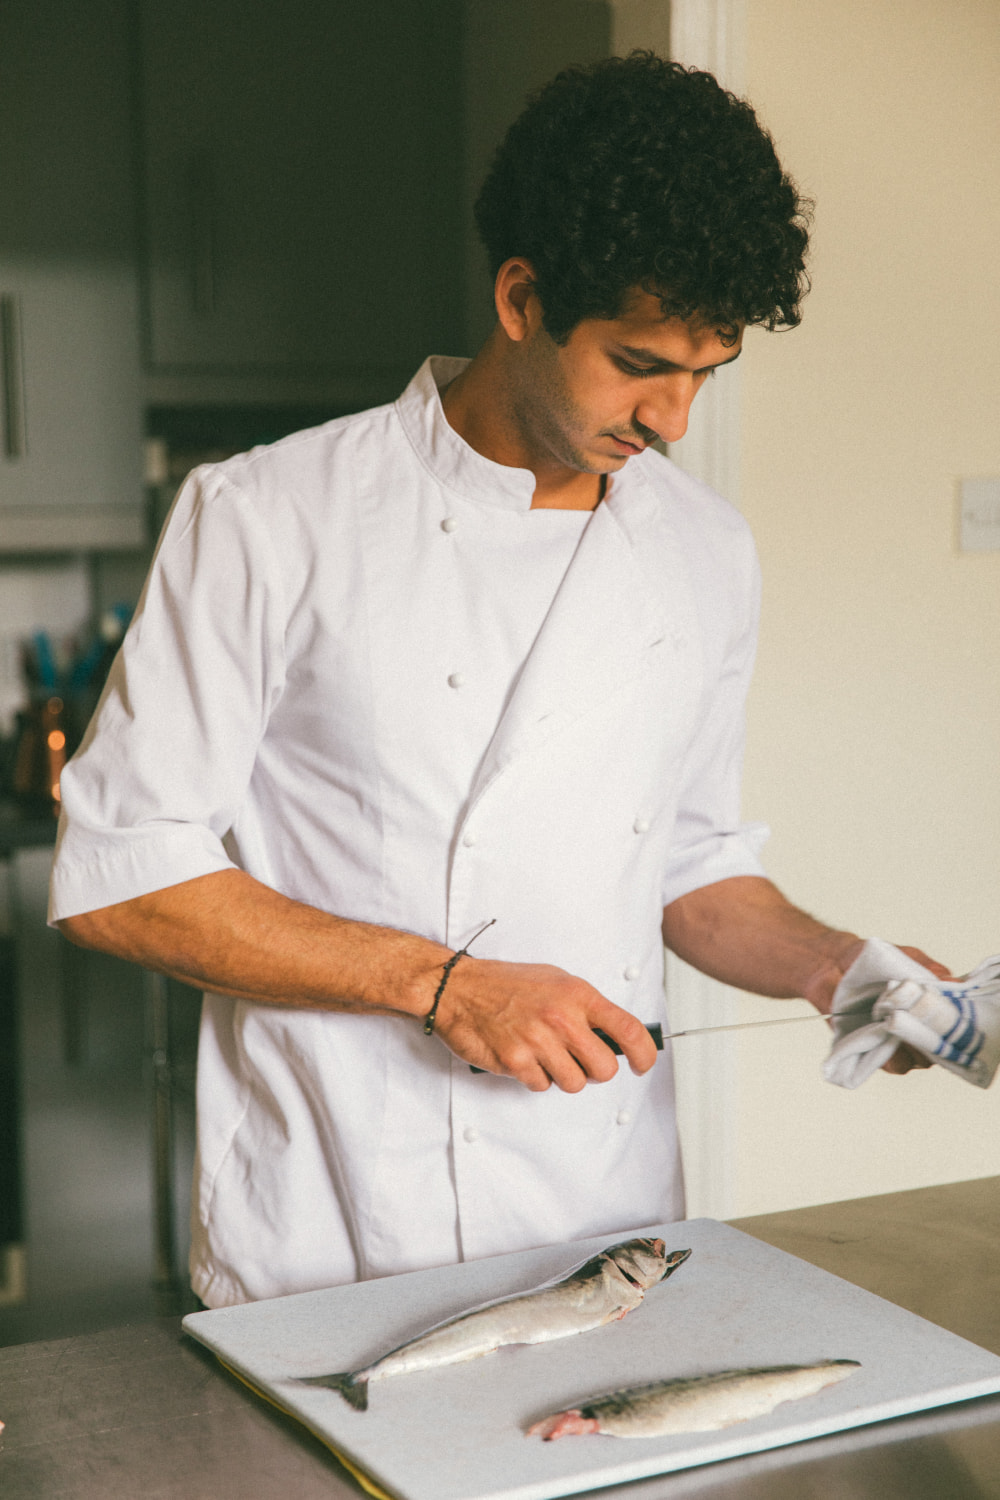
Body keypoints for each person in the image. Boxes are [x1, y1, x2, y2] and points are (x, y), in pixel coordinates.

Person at [49, 53, 945, 1308]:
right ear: (521, 298)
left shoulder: (703, 551)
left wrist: (839, 966)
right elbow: (120, 876)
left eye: (706, 372)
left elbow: (686, 863)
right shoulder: (267, 514)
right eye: (639, 363)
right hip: (332, 1221)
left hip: (597, 1224)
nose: (675, 420)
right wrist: (445, 984)